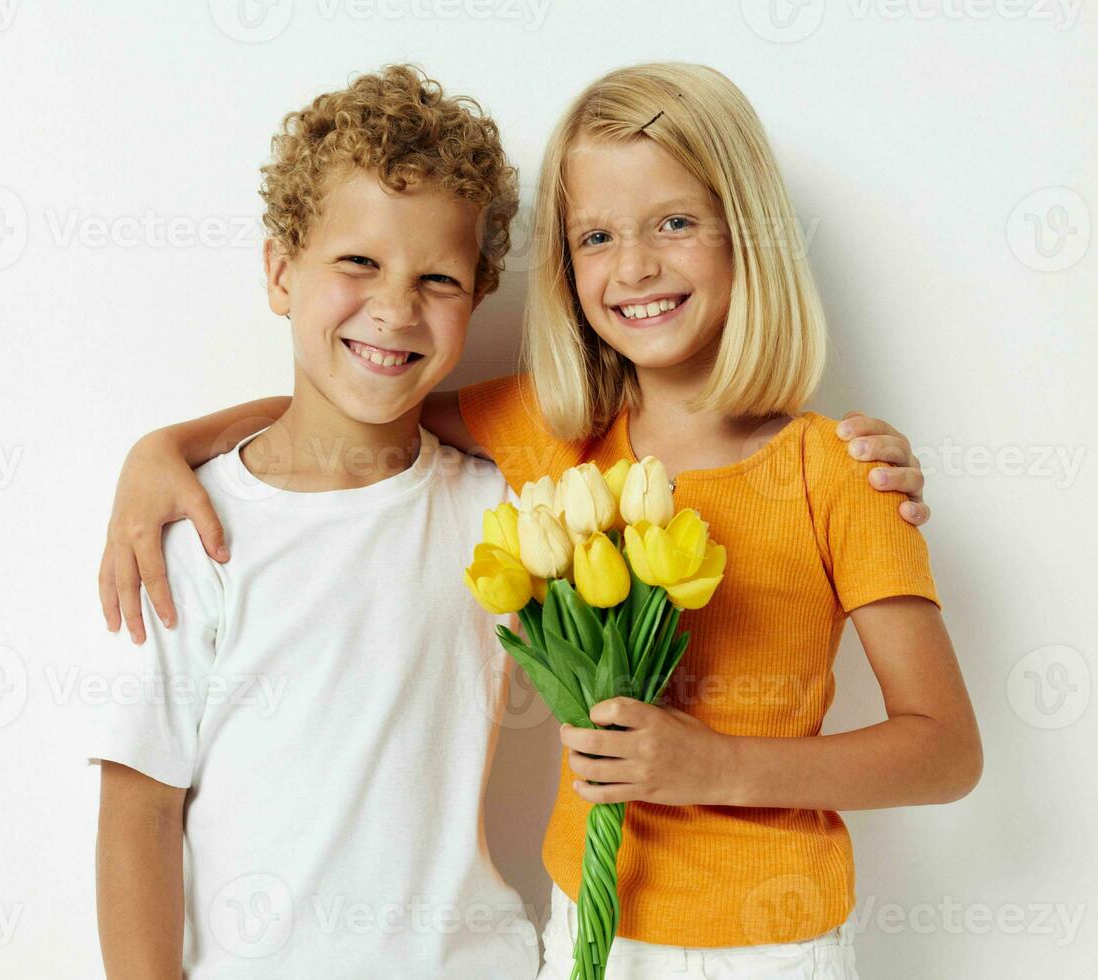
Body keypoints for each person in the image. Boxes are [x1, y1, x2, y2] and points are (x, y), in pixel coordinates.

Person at [98, 63, 975, 980]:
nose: (635, 265)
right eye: (597, 235)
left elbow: (946, 750)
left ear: (746, 236)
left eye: (675, 222)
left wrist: (711, 768)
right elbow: (361, 407)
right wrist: (165, 447)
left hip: (775, 943)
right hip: (584, 939)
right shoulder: (559, 441)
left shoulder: (834, 468)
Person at [88, 65, 538, 979]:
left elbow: (665, 422)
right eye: (359, 262)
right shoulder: (195, 528)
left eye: (439, 278)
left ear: (479, 299)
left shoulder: (507, 510)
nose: (396, 307)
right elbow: (139, 806)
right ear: (280, 270)